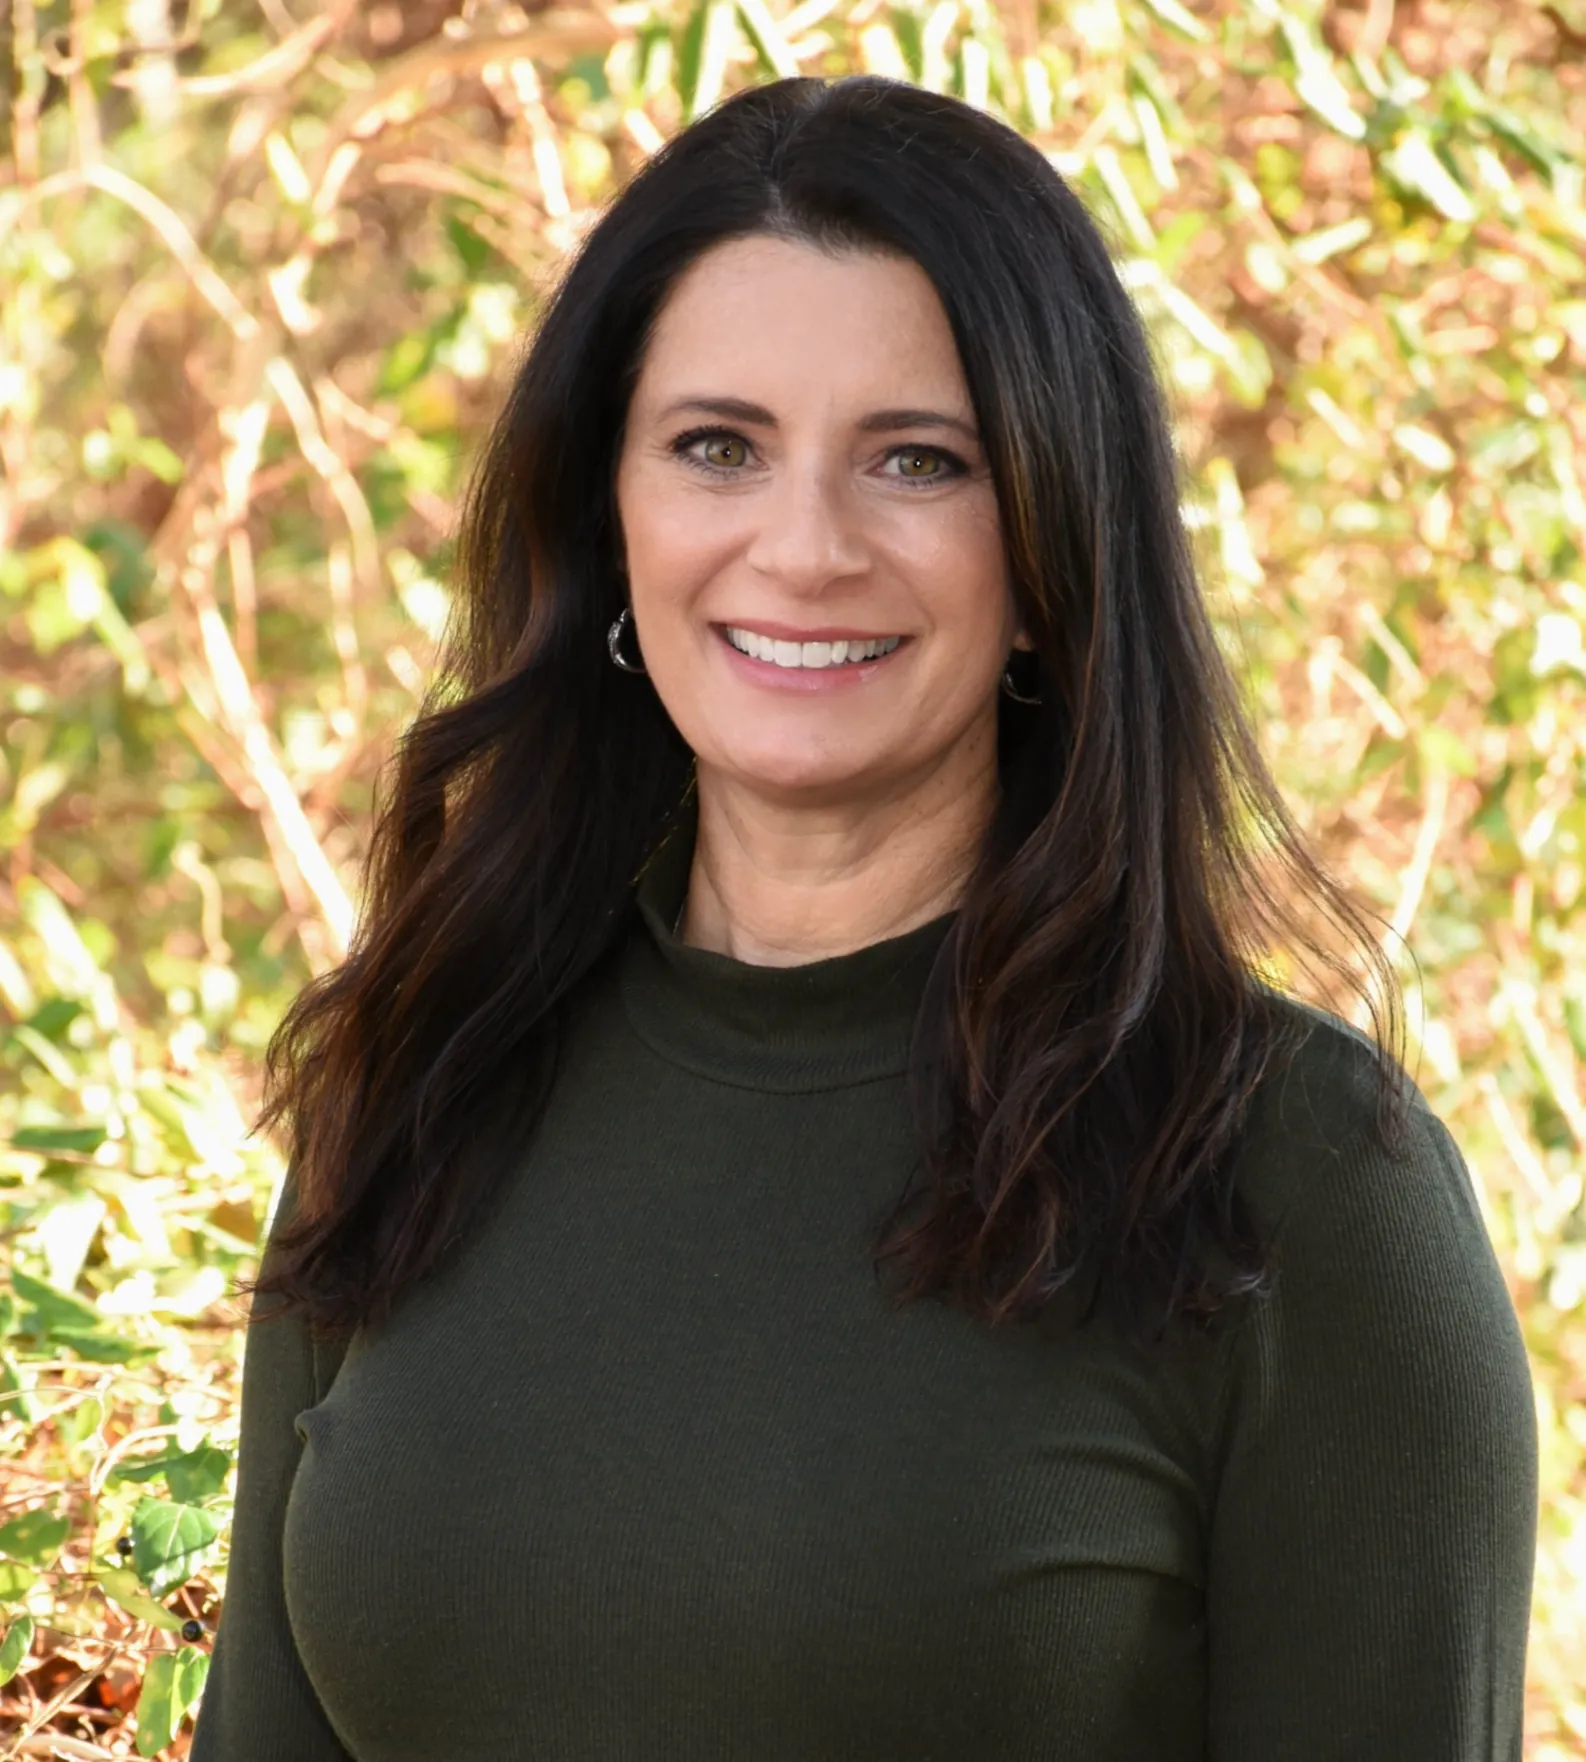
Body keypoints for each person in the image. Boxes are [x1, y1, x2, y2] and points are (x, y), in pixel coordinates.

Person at [190, 75, 1536, 1762]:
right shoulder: (425, 1074)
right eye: (715, 447)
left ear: (1050, 545)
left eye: (916, 460)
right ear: (608, 522)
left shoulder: (1291, 1176)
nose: (803, 546)